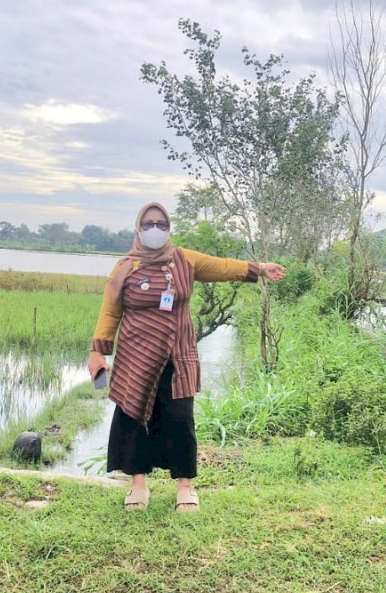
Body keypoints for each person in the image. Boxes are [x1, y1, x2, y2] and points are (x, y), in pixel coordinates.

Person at [88, 202, 285, 512]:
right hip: (135, 357)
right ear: (138, 227)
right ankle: (138, 485)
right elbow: (111, 311)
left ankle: (186, 487)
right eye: (149, 223)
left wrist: (258, 268)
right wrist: (97, 351)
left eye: (161, 224)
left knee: (180, 417)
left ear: (169, 229)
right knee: (134, 416)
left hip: (178, 355)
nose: (155, 229)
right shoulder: (125, 267)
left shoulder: (184, 260)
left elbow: (221, 266)